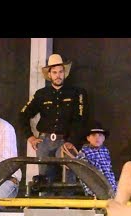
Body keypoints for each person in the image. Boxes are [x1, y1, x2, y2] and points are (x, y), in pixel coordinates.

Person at [19, 53, 88, 183]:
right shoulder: (41, 94)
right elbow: (23, 115)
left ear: (64, 73)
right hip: (44, 142)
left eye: (61, 71)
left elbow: (80, 120)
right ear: (49, 75)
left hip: (65, 141)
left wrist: (72, 141)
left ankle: (67, 203)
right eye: (54, 72)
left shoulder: (76, 93)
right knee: (44, 181)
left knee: (68, 178)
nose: (58, 75)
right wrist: (30, 137)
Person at [75, 121, 117, 196]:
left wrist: (114, 187)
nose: (97, 138)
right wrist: (92, 191)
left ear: (104, 138)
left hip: (110, 187)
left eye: (100, 135)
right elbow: (84, 176)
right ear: (88, 138)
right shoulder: (84, 153)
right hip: (95, 189)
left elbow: (109, 170)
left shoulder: (105, 151)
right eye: (94, 135)